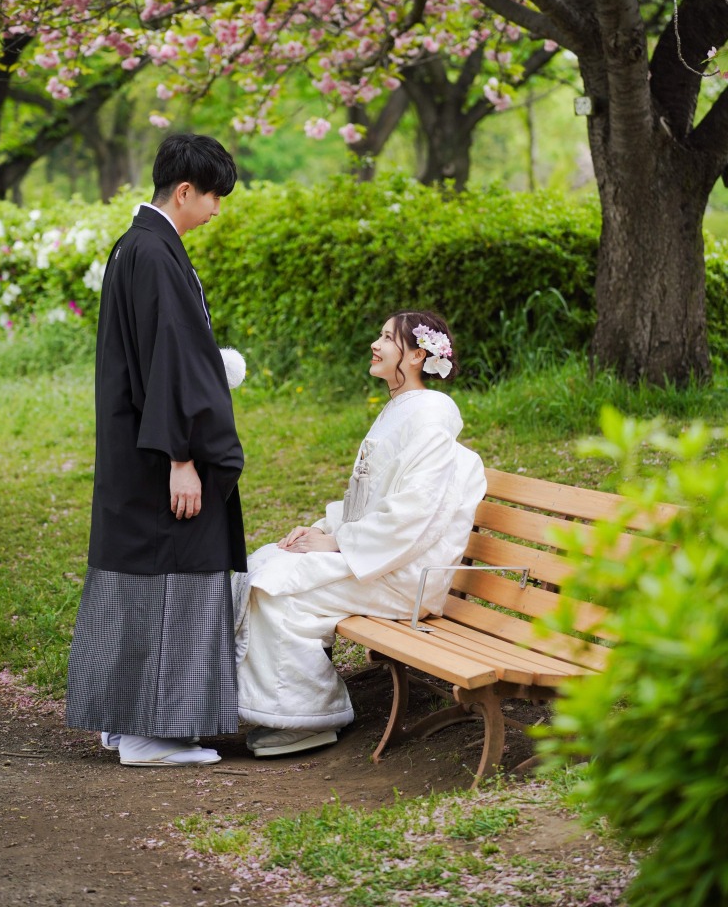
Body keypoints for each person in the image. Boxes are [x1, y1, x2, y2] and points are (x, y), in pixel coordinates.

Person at [66, 134, 246, 767]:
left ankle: (124, 721)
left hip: (132, 446)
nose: (216, 211)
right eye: (214, 197)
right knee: (174, 582)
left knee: (136, 583)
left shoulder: (135, 247)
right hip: (159, 457)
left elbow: (161, 358)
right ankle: (152, 734)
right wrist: (182, 458)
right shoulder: (156, 252)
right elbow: (167, 361)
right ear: (185, 191)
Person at [233, 310, 486, 758]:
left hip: (405, 573)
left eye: (388, 338)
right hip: (379, 557)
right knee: (267, 561)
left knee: (278, 591)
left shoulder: (431, 416)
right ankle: (275, 704)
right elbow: (366, 499)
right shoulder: (400, 410)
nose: (376, 343)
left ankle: (309, 717)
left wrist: (337, 543)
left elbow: (414, 512)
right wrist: (322, 529)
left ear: (416, 355)